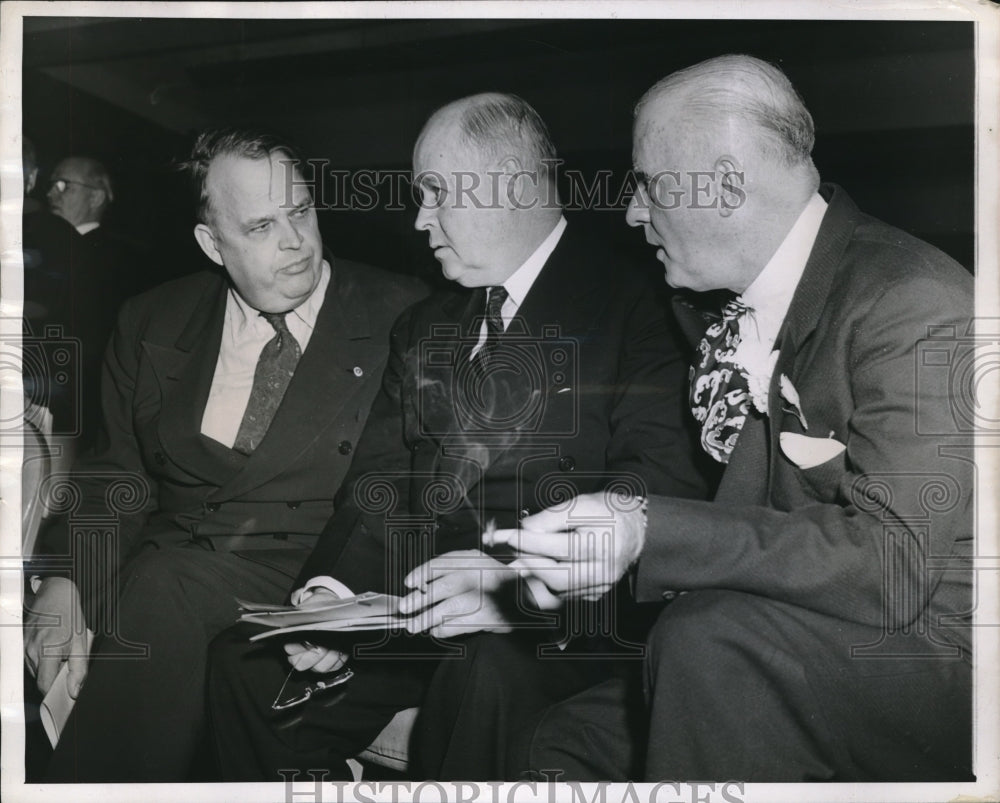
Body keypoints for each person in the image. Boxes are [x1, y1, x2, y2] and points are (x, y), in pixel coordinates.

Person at [490, 54, 974, 781]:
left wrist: (645, 532)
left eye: (647, 184)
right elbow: (737, 522)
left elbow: (894, 565)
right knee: (560, 742)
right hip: (803, 626)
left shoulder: (911, 301)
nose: (632, 212)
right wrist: (599, 551)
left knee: (707, 644)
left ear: (723, 187)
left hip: (941, 654)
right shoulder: (714, 312)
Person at [207, 92, 709, 781]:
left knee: (484, 670)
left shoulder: (643, 307)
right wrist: (332, 597)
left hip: (563, 621)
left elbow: (653, 489)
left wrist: (516, 588)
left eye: (436, 194)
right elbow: (381, 482)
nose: (420, 219)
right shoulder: (425, 324)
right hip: (426, 611)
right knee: (247, 661)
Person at [23, 127, 427, 782]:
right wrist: (70, 576)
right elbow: (116, 476)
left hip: (316, 577)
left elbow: (419, 489)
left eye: (301, 211)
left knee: (165, 592)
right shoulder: (152, 320)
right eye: (262, 226)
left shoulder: (403, 314)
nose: (295, 241)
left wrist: (344, 600)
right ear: (212, 244)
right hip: (162, 574)